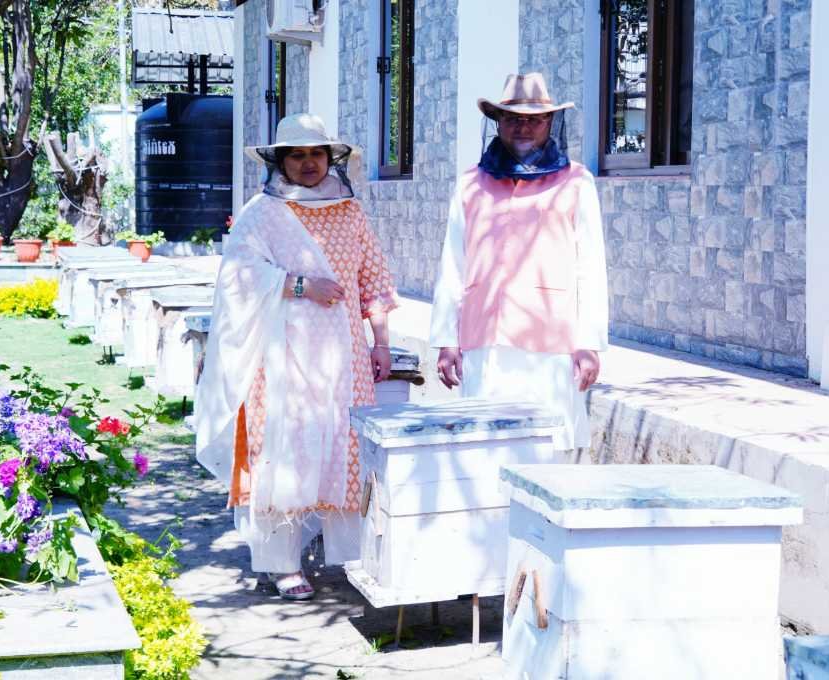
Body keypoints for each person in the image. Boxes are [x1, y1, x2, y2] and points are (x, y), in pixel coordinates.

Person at [194, 114, 398, 600]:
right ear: (280, 162)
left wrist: (382, 342)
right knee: (283, 450)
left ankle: (351, 557)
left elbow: (373, 279)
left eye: (316, 154)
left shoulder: (349, 212)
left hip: (344, 357)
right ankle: (281, 563)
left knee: (345, 448)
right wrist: (300, 285)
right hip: (279, 359)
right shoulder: (262, 213)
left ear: (331, 158)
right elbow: (238, 277)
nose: (308, 163)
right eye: (297, 155)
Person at [430, 72, 609, 452]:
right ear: (498, 122)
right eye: (513, 118)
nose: (523, 127)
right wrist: (446, 340)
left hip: (551, 342)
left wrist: (589, 343)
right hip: (484, 341)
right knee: (483, 447)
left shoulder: (577, 182)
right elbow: (453, 263)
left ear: (550, 122)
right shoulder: (470, 183)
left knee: (545, 449)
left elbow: (590, 266)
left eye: (534, 119)